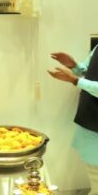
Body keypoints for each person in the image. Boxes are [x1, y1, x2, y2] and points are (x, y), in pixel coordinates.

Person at [48, 50, 98, 195]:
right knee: (94, 177)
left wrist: (76, 80)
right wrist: (74, 65)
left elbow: (81, 80)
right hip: (90, 125)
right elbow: (87, 71)